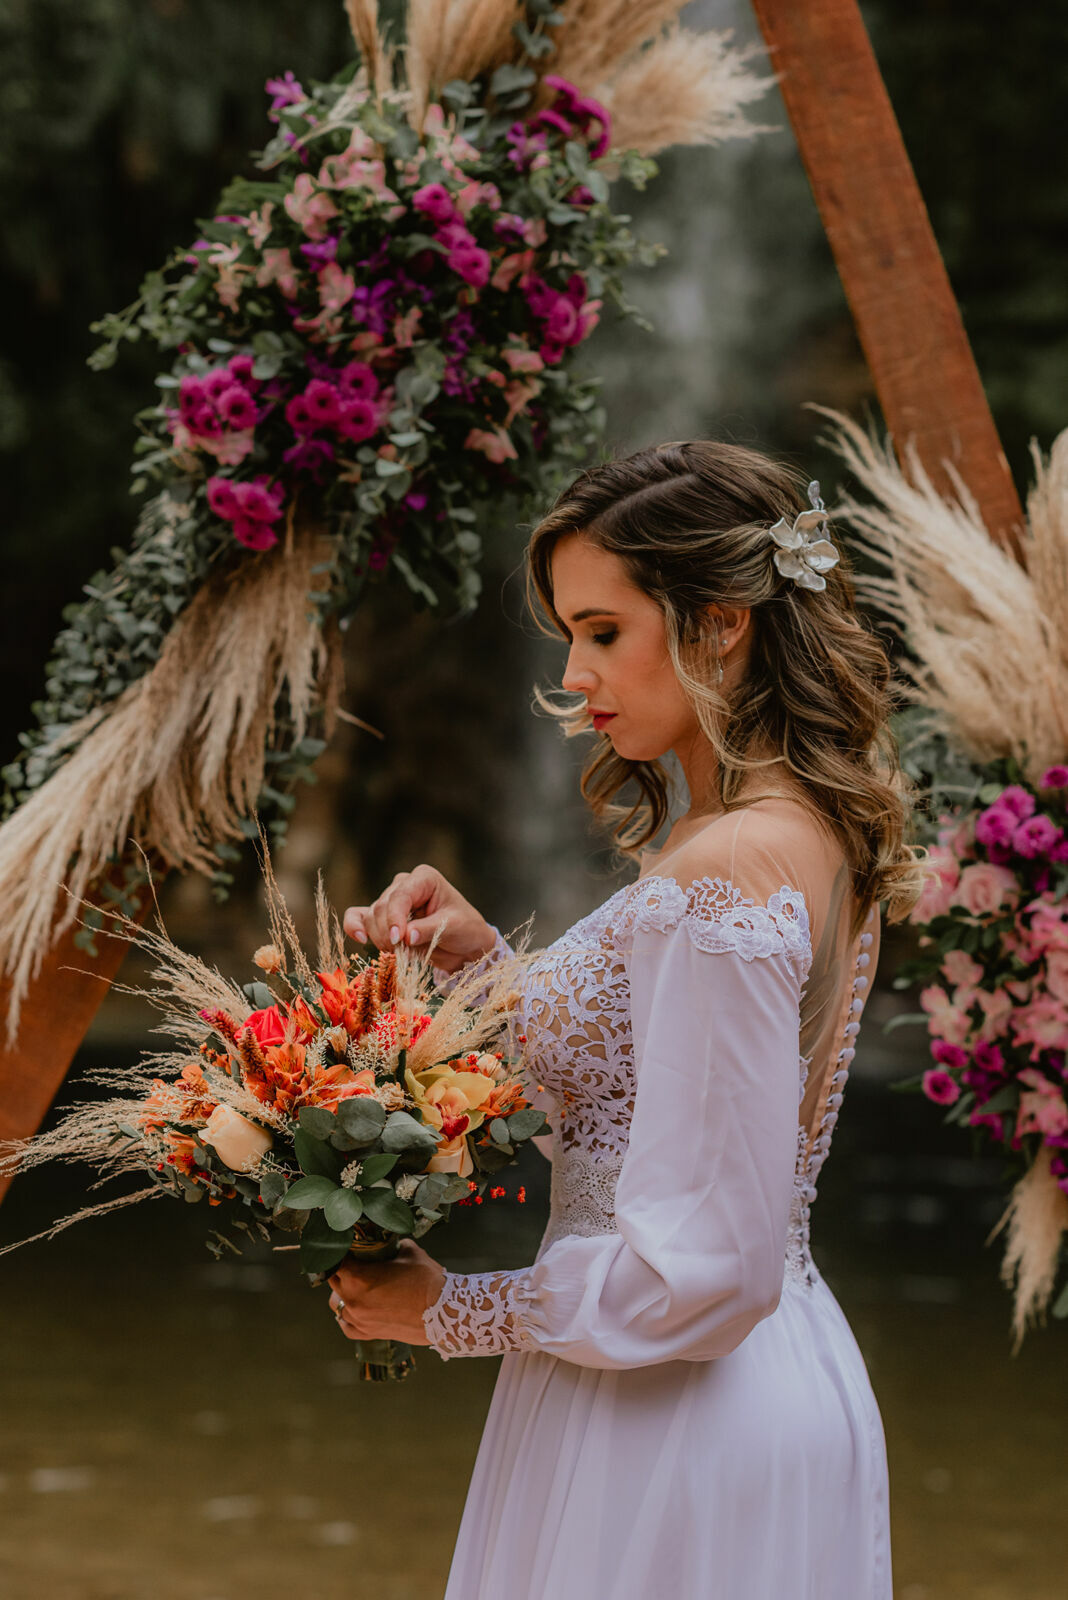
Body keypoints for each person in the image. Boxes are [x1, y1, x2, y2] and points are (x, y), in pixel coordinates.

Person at [328, 440, 923, 1599]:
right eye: (568, 633)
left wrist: (450, 1308)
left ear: (718, 622)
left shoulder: (728, 863)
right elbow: (646, 1124)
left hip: (669, 1407)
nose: (573, 673)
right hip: (745, 1373)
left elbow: (703, 1270)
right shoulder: (800, 833)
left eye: (603, 630)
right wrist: (492, 970)